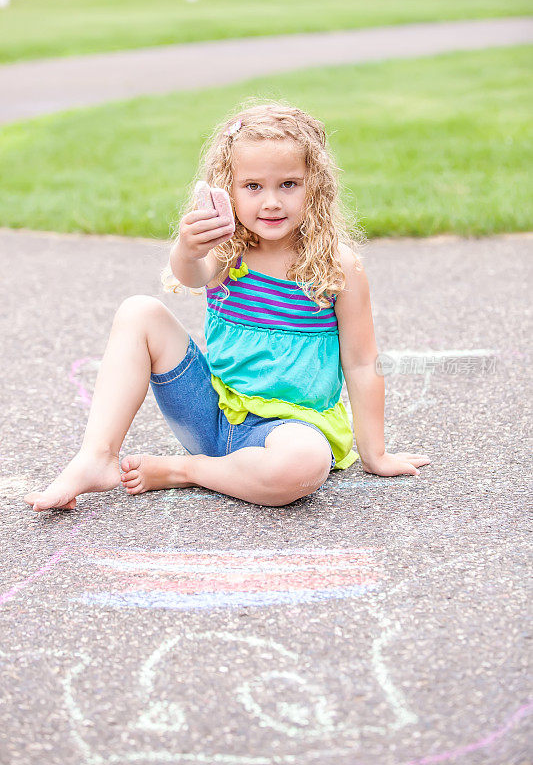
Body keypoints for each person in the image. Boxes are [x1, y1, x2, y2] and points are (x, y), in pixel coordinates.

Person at [24, 100, 430, 513]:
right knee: (138, 311)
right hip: (210, 413)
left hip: (289, 431)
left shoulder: (336, 266)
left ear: (316, 185)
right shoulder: (227, 250)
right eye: (253, 186)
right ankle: (96, 457)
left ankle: (186, 471)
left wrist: (374, 454)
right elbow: (190, 275)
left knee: (306, 463)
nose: (271, 201)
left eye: (288, 184)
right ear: (228, 189)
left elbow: (362, 363)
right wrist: (186, 248)